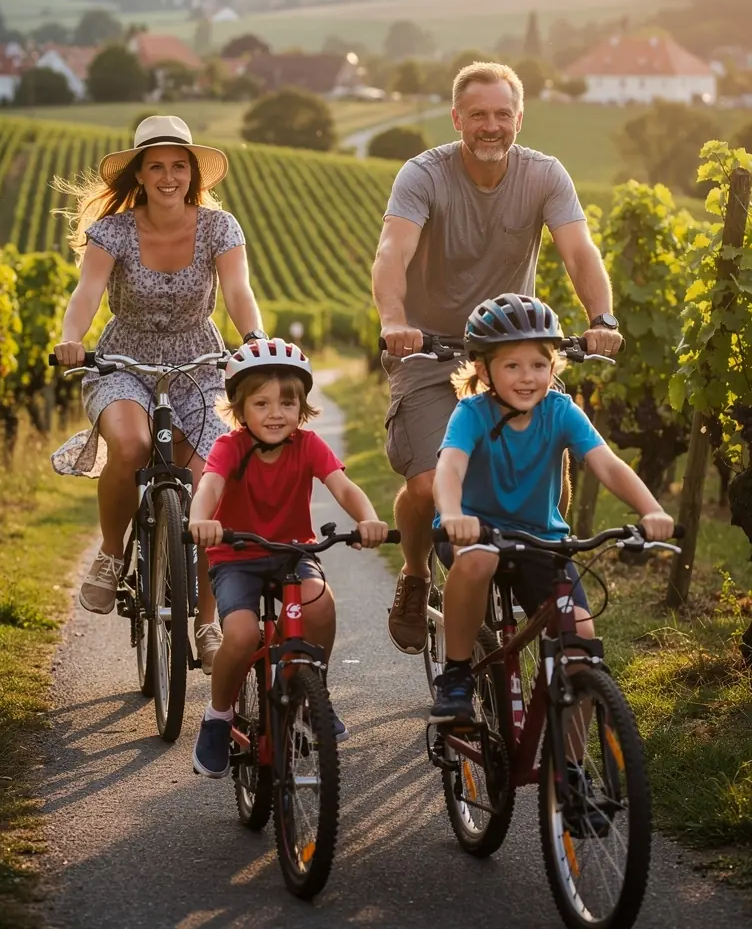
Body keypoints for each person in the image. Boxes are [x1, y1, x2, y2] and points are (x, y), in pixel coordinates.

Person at [372, 60, 624, 656]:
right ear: (457, 118)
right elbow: (392, 250)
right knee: (432, 482)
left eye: (502, 114)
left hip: (513, 351)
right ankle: (414, 575)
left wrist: (602, 318)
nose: (491, 126)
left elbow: (578, 251)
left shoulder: (544, 175)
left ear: (519, 118)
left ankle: (539, 581)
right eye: (478, 115)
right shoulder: (423, 175)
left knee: (547, 477)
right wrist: (394, 322)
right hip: (431, 350)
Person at [51, 115, 267, 673]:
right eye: (157, 166)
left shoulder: (220, 227)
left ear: (192, 174)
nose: (168, 176)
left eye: (179, 166)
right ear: (140, 175)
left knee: (211, 480)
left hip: (200, 363)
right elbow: (88, 291)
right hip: (123, 360)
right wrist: (72, 339)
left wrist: (255, 340)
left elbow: (239, 290)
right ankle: (110, 555)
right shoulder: (114, 231)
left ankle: (208, 620)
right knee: (130, 445)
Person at [430, 293, 674, 730]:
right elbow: (449, 468)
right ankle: (457, 675)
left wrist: (651, 509)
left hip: (539, 538)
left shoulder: (560, 410)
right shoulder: (471, 413)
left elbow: (607, 464)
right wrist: (452, 514)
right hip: (471, 532)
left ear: (554, 367)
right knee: (479, 558)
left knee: (579, 645)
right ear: (484, 370)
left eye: (539, 365)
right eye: (513, 366)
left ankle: (573, 782)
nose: (528, 378)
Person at [188, 338, 388, 777]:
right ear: (240, 410)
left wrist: (368, 518)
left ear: (302, 407)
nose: (275, 413)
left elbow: (342, 486)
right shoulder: (229, 448)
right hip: (236, 555)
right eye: (261, 403)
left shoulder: (309, 445)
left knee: (320, 604)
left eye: (287, 402)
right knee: (240, 636)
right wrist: (200, 520)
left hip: (292, 551)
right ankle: (218, 715)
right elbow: (209, 488)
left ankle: (312, 687)